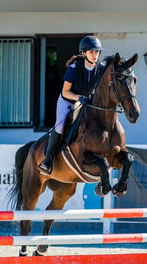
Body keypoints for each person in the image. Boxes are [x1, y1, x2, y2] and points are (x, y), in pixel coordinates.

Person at [38, 35, 106, 175]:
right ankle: (48, 160)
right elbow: (65, 92)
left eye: (97, 52)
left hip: (87, 104)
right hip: (68, 101)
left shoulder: (101, 68)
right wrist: (79, 98)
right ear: (84, 53)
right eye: (92, 52)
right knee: (60, 126)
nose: (95, 55)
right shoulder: (74, 68)